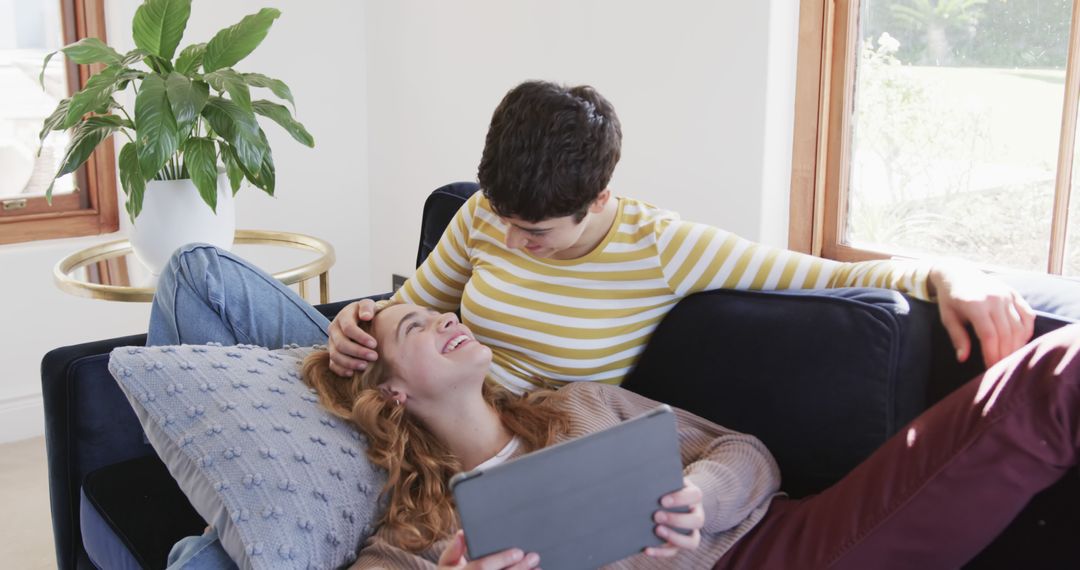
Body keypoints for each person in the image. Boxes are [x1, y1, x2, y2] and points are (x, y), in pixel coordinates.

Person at [328, 80, 1035, 392]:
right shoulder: (487, 213)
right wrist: (360, 323)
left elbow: (828, 276)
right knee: (211, 273)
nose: (511, 242)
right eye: (504, 222)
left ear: (599, 197)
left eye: (534, 233)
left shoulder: (664, 250)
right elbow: (411, 304)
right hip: (406, 404)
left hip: (492, 447)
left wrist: (952, 276)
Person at [302, 300, 1080, 569]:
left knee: (1056, 371)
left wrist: (702, 496)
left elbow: (747, 452)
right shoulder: (419, 534)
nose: (444, 315)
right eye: (414, 322)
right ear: (393, 394)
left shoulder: (577, 405)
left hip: (785, 545)